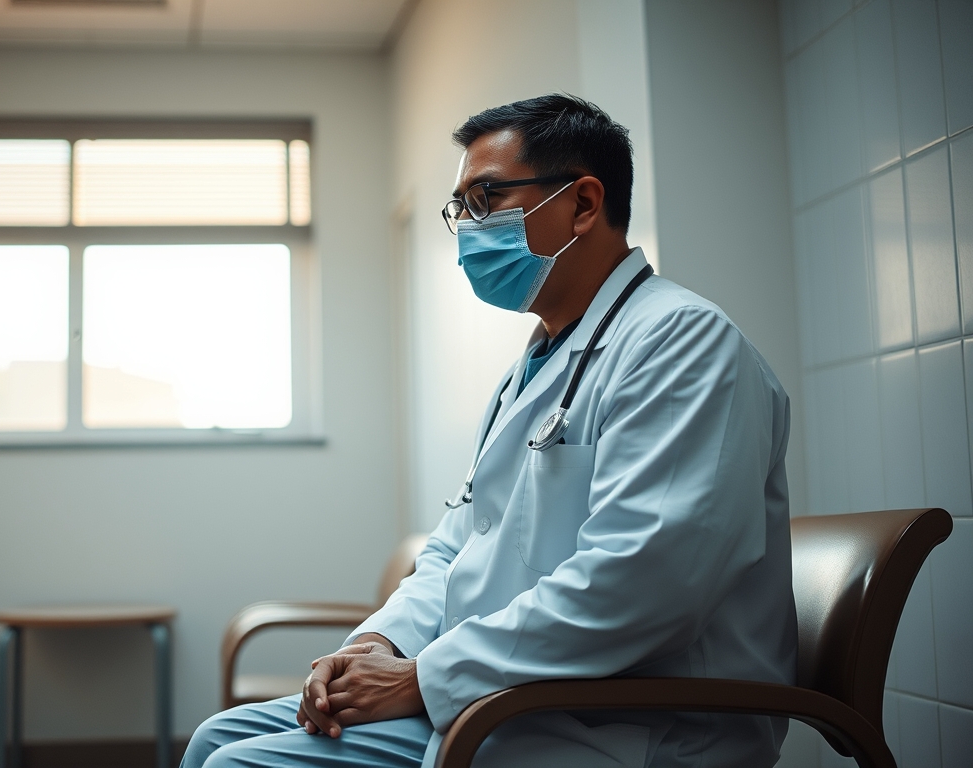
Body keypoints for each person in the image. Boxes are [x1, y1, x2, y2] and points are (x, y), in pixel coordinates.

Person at [182, 94, 796, 768]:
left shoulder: (680, 343)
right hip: (514, 698)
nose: (469, 231)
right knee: (219, 736)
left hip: (629, 725)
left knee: (233, 764)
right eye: (461, 210)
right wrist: (376, 648)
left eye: (487, 199)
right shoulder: (533, 371)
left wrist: (424, 677)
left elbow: (645, 581)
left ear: (584, 205)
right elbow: (454, 551)